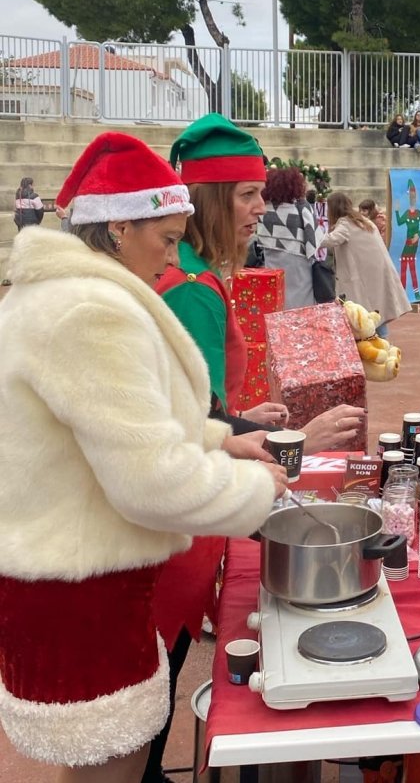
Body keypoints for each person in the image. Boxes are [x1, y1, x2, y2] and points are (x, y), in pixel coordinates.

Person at [0, 132, 284, 783]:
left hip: (71, 581)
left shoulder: (62, 297)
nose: (170, 257)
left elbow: (120, 426)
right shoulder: (90, 311)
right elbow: (148, 478)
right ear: (121, 227)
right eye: (164, 238)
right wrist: (261, 493)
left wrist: (221, 440)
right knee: (111, 766)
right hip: (81, 593)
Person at [153, 115, 363, 783]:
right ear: (211, 201)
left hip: (180, 523)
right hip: (177, 537)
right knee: (143, 719)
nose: (261, 208)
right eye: (246, 195)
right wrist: (291, 439)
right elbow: (186, 428)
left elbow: (202, 412)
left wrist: (244, 417)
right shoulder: (191, 292)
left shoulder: (189, 277)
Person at [324, 192, 411, 339]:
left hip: (364, 276)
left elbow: (329, 241)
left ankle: (381, 345)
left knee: (365, 313)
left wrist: (308, 237)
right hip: (377, 272)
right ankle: (383, 343)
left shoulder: (345, 224)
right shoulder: (362, 221)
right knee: (377, 310)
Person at [257, 166, 318, 310]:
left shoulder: (264, 209)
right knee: (301, 307)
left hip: (272, 263)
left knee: (277, 302)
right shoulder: (302, 209)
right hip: (300, 265)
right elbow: (315, 237)